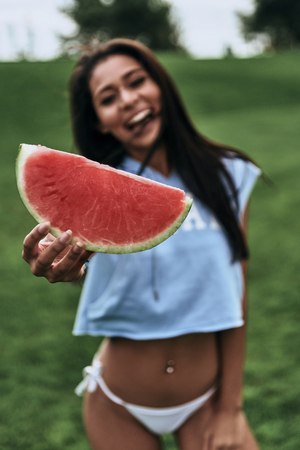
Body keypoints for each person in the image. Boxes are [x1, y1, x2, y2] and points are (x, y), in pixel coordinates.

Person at [22, 38, 261, 450]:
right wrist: (73, 271)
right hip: (117, 404)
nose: (129, 99)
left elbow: (236, 296)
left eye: (136, 81)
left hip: (206, 399)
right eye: (108, 97)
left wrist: (230, 408)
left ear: (161, 86)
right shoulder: (94, 192)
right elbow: (92, 264)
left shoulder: (229, 175)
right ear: (98, 120)